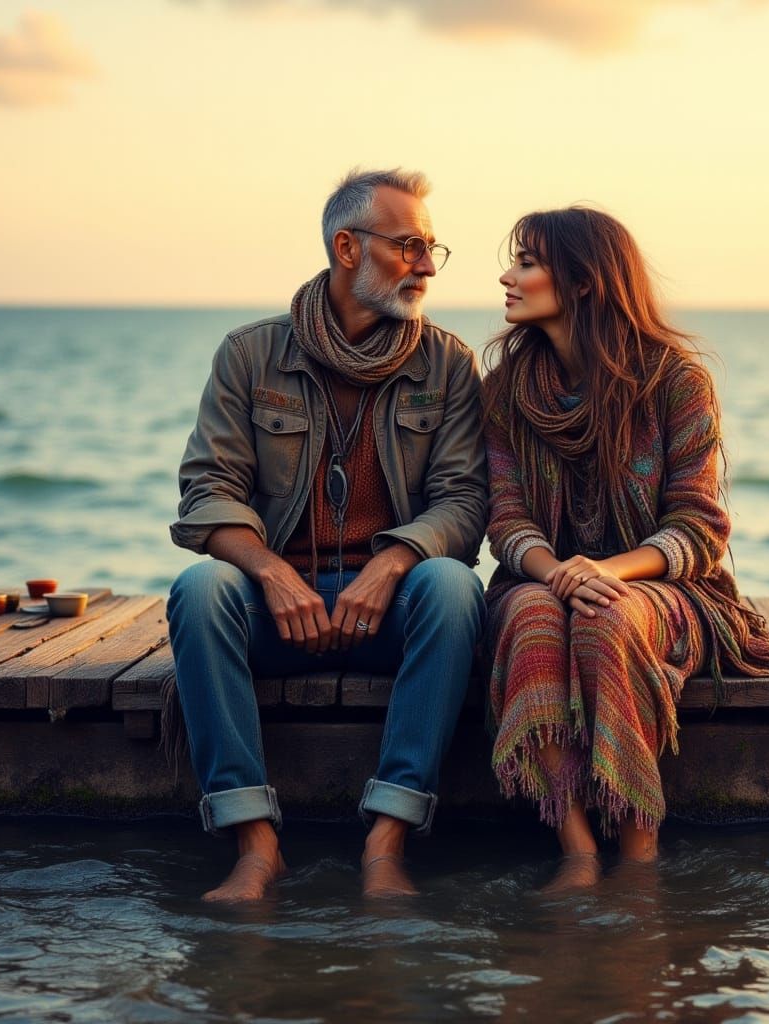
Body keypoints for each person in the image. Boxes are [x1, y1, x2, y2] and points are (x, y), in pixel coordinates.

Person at [481, 207, 769, 892]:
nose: (507, 275)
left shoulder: (676, 382)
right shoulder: (506, 391)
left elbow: (700, 529)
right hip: (538, 581)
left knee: (606, 616)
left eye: (526, 262)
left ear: (583, 282)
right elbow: (506, 519)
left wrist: (603, 571)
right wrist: (559, 574)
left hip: (665, 592)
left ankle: (639, 846)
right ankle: (577, 848)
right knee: (530, 617)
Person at [167, 168, 488, 902]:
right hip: (280, 611)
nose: (428, 267)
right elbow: (206, 490)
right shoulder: (250, 355)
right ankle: (255, 844)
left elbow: (466, 501)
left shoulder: (447, 363)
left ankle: (388, 839)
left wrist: (396, 560)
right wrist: (273, 575)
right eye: (408, 247)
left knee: (451, 584)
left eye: (434, 248)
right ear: (348, 247)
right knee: (200, 589)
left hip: (391, 612)